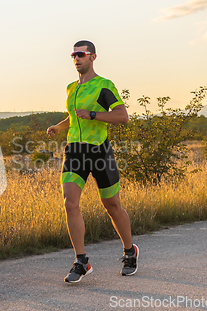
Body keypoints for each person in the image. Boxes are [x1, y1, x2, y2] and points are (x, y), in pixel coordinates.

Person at [47, 40, 138, 283]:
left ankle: (130, 252)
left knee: (112, 205)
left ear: (93, 57)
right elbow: (73, 116)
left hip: (99, 153)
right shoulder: (71, 88)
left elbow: (123, 116)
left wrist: (95, 114)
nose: (76, 59)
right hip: (74, 152)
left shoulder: (103, 86)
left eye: (81, 54)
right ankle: (81, 261)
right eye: (73, 55)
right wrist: (59, 126)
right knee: (70, 204)